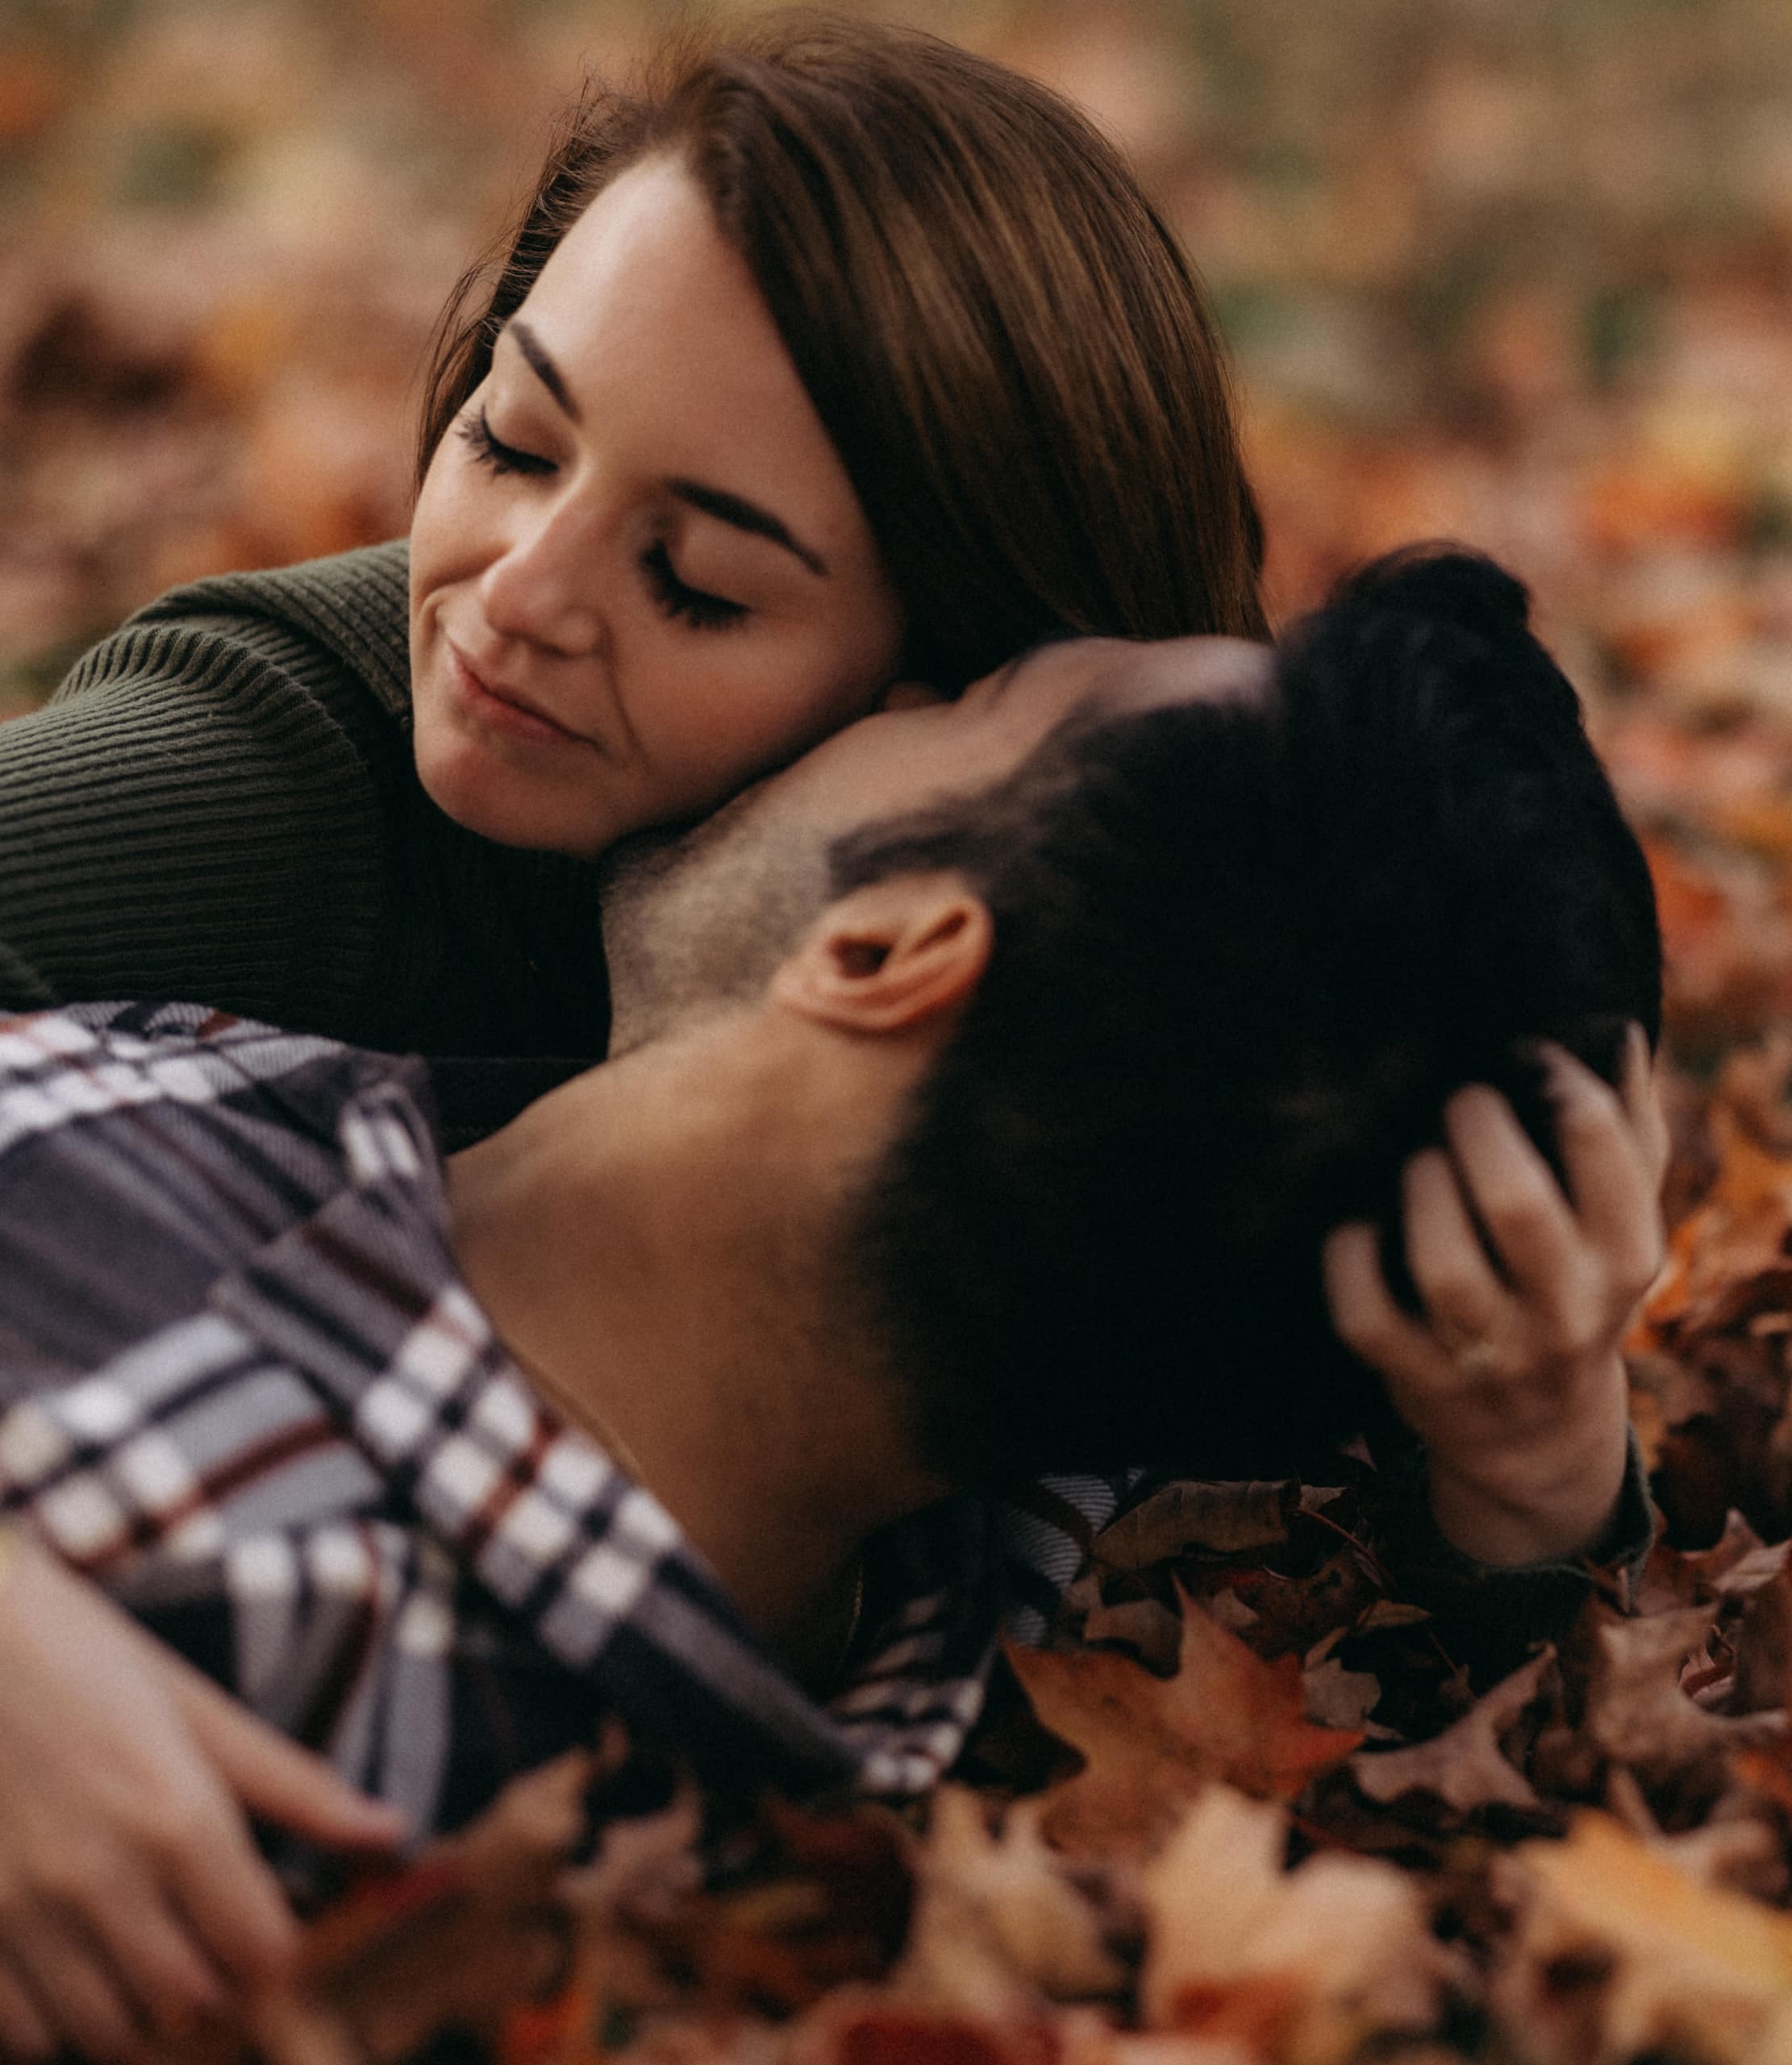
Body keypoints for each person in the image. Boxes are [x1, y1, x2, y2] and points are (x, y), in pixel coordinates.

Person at [0, 550, 1665, 2059]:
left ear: (883, 952)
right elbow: (1451, 1768)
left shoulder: (176, 1556)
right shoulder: (1029, 1581)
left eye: (974, 703)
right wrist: (1535, 1470)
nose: (892, 685)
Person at [0, 14, 1265, 1061]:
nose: (517, 593)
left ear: (969, 684)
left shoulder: (1140, 984)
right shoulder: (280, 777)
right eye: (513, 442)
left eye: (690, 580)